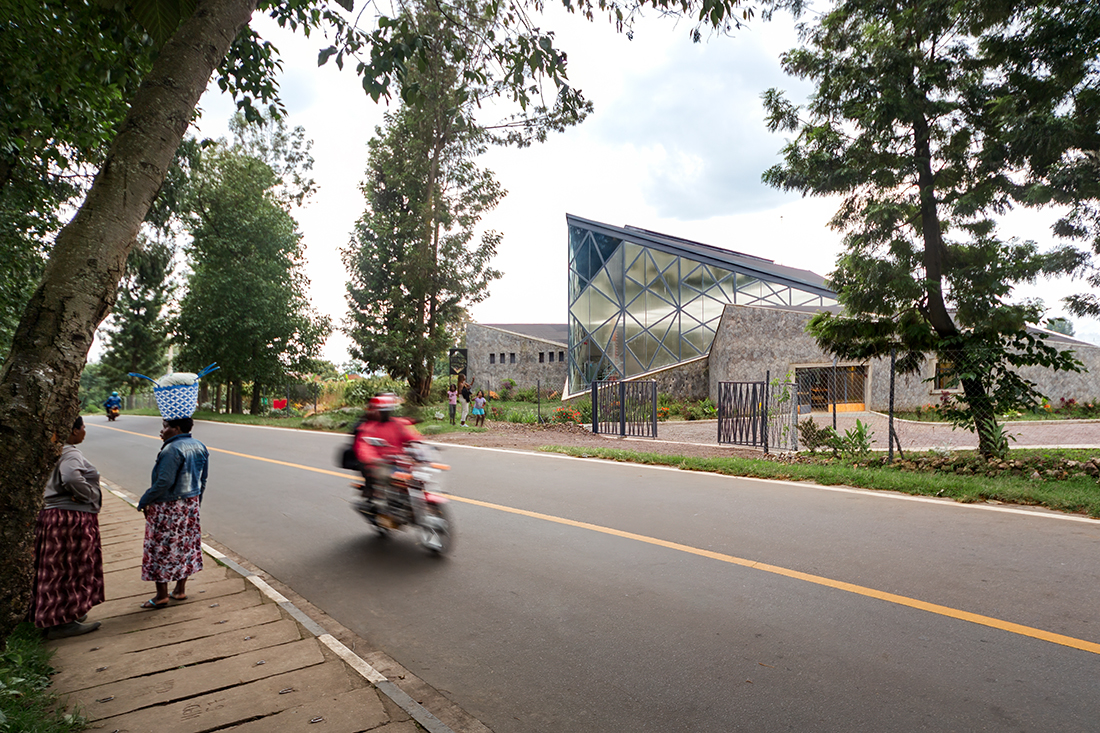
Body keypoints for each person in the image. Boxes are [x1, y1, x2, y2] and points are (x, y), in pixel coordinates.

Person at [28, 416, 105, 640]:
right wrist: (88, 496)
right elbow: (71, 477)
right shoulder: (70, 452)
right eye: (83, 427)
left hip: (52, 515)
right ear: (73, 430)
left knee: (55, 569)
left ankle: (63, 614)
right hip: (70, 517)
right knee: (72, 568)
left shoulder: (50, 450)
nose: (84, 432)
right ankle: (63, 622)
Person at [137, 417, 209, 609]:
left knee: (161, 547)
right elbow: (203, 479)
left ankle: (161, 595)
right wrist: (196, 502)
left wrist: (145, 500)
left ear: (176, 429)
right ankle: (179, 590)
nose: (162, 431)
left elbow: (164, 482)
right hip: (190, 504)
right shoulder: (199, 446)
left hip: (168, 507)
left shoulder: (171, 450)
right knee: (185, 545)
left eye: (165, 427)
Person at [354, 393, 421, 512]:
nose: (385, 414)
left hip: (399, 462)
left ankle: (413, 504)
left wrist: (422, 445)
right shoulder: (368, 428)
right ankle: (388, 506)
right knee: (392, 479)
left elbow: (410, 436)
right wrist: (374, 459)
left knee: (418, 477)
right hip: (380, 465)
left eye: (387, 411)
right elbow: (364, 447)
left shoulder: (396, 424)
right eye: (383, 411)